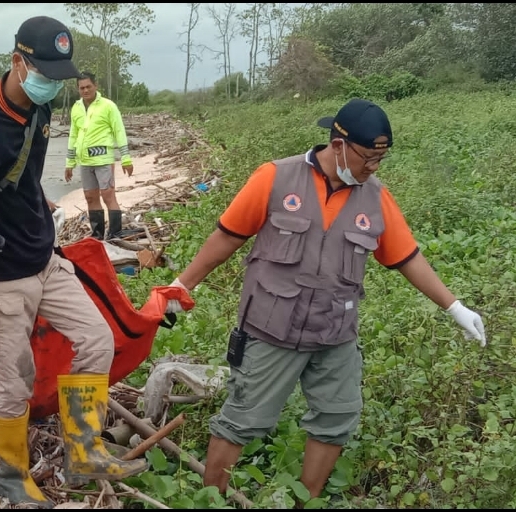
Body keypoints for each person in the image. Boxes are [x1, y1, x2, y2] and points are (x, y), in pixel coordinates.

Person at [163, 98, 488, 502]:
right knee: (242, 420)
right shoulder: (274, 178)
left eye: (381, 159)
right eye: (368, 156)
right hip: (270, 328)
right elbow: (228, 236)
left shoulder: (375, 196)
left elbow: (406, 257)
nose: (374, 167)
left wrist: (454, 307)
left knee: (336, 419)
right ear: (338, 145)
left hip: (335, 333)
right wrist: (181, 286)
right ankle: (210, 499)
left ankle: (307, 500)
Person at [0, 16, 147, 509]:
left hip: (42, 258)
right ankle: (10, 474)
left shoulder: (40, 109)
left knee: (96, 339)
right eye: (42, 71)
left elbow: (22, 175)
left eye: (58, 74)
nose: (51, 83)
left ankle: (84, 450)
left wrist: (40, 211)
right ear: (17, 62)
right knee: (15, 376)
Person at [64, 71, 134, 240]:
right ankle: (98, 234)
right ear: (78, 89)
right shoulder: (76, 108)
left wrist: (126, 158)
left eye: (88, 86)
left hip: (104, 159)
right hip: (85, 162)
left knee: (108, 195)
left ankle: (115, 232)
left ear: (95, 86)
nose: (85, 90)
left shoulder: (108, 106)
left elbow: (119, 131)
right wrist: (70, 162)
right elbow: (73, 135)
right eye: (82, 88)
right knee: (90, 197)